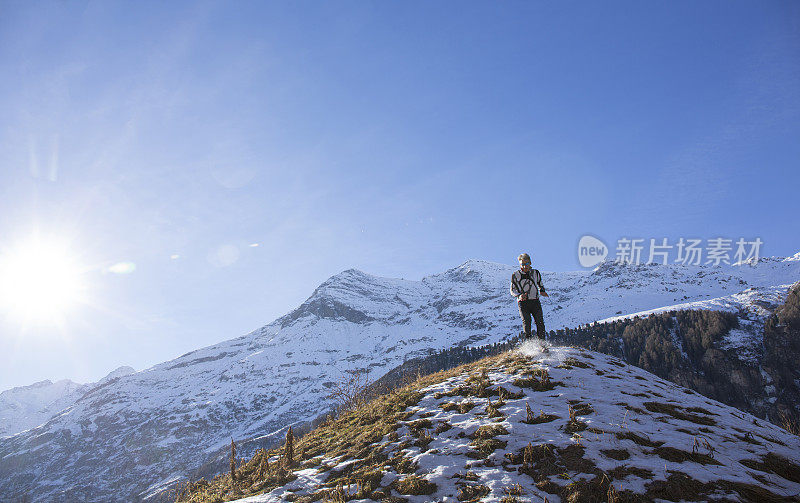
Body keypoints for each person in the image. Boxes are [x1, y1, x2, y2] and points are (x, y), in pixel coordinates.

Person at [510, 253, 549, 342]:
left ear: (530, 263)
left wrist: (542, 291)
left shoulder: (536, 273)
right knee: (527, 323)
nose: (524, 266)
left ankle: (542, 344)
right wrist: (519, 295)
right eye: (522, 264)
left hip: (535, 301)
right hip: (523, 303)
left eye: (526, 264)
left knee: (540, 323)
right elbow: (512, 290)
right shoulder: (515, 275)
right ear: (520, 265)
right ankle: (529, 346)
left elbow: (540, 284)